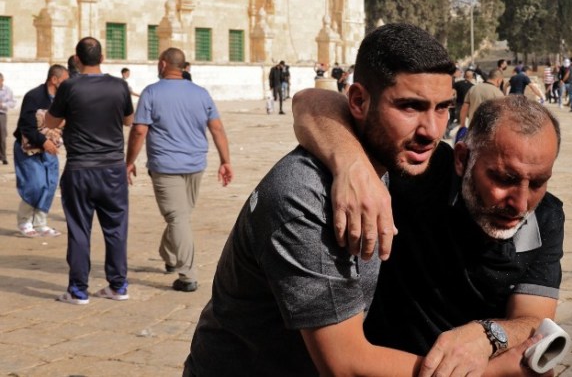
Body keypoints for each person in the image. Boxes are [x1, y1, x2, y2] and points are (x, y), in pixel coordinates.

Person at [185, 24, 541, 376]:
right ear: (357, 101)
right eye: (410, 107)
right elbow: (345, 364)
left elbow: (313, 100)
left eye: (442, 108)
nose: (431, 131)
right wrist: (495, 372)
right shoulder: (304, 197)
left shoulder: (390, 163)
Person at [292, 86, 562, 374]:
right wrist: (351, 165)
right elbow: (310, 102)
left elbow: (534, 319)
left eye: (537, 183)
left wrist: (487, 335)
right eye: (504, 179)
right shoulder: (422, 175)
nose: (521, 204)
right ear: (462, 159)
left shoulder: (545, 216)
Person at [125, 48, 233, 293]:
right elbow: (217, 129)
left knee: (178, 217)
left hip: (165, 165)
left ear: (163, 64)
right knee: (179, 216)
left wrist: (128, 161)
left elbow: (139, 130)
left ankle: (187, 275)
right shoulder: (201, 93)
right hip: (195, 164)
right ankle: (170, 255)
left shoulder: (151, 93)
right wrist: (225, 161)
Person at [45, 37, 135, 305]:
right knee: (116, 228)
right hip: (112, 168)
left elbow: (51, 120)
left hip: (80, 167)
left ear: (77, 59)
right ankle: (118, 285)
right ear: (103, 57)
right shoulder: (119, 86)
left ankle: (78, 290)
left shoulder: (69, 87)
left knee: (79, 229)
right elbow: (129, 120)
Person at [14, 64, 68, 237]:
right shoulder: (34, 96)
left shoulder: (62, 99)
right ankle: (24, 221)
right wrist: (44, 142)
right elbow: (26, 126)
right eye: (65, 81)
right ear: (54, 80)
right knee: (36, 185)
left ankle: (41, 223)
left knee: (50, 185)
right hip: (30, 149)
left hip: (50, 150)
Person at [0, 72, 15, 165]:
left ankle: (3, 157)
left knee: (2, 136)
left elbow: (12, 103)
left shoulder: (7, 90)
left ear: (2, 80)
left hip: (1, 114)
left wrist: (2, 105)